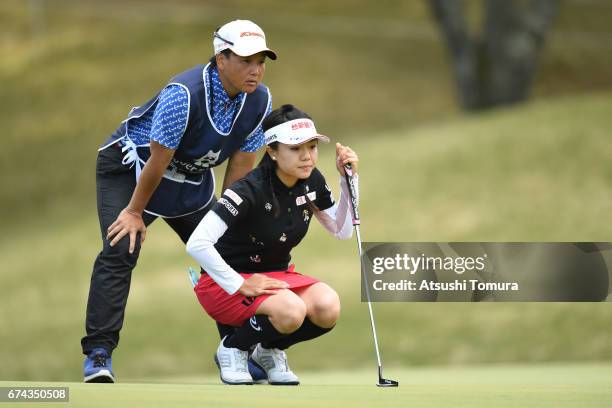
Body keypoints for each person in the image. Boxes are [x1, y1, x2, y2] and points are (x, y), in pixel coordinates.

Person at [82, 19, 277, 383]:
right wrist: (134, 211)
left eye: (261, 61)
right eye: (247, 60)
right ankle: (98, 353)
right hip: (132, 171)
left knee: (226, 252)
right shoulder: (183, 94)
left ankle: (234, 350)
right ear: (221, 59)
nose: (256, 70)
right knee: (121, 248)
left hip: (189, 180)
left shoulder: (260, 102)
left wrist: (230, 222)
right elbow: (157, 161)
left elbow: (240, 166)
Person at [186, 104, 359, 385]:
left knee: (328, 307)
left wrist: (348, 180)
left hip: (277, 279)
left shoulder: (311, 180)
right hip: (223, 284)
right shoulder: (249, 189)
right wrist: (240, 284)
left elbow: (342, 230)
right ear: (273, 151)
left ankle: (268, 351)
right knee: (292, 310)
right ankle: (233, 348)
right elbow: (197, 243)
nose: (307, 156)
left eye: (312, 146)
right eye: (295, 148)